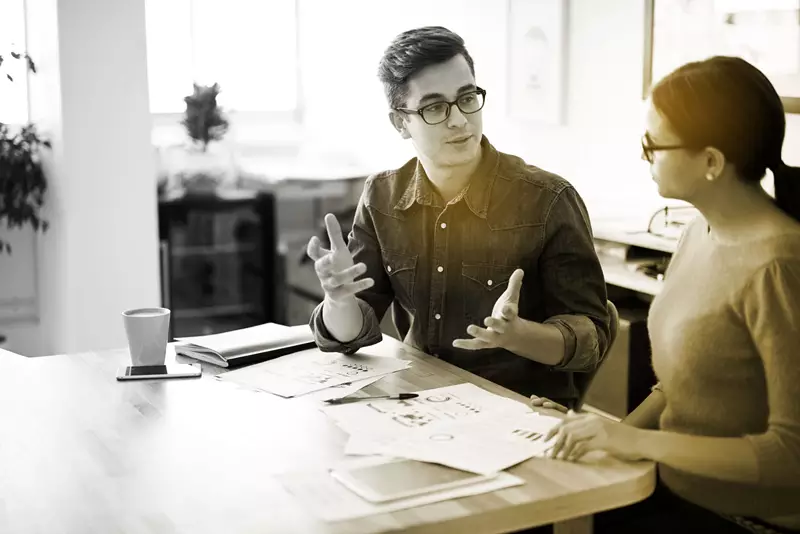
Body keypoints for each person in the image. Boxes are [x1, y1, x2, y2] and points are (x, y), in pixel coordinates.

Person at [532, 56, 800, 533]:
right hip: (672, 490)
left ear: (712, 162)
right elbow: (684, 383)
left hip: (747, 521)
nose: (645, 155)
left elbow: (791, 455)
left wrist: (638, 444)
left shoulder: (778, 267)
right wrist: (610, 434)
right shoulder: (699, 232)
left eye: (653, 144)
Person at [305, 26, 610, 406]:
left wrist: (517, 335)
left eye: (467, 98)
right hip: (417, 401)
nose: (459, 121)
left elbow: (592, 339)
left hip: (517, 411)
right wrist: (338, 301)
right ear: (401, 123)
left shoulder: (548, 200)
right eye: (434, 107)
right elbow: (351, 338)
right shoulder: (382, 196)